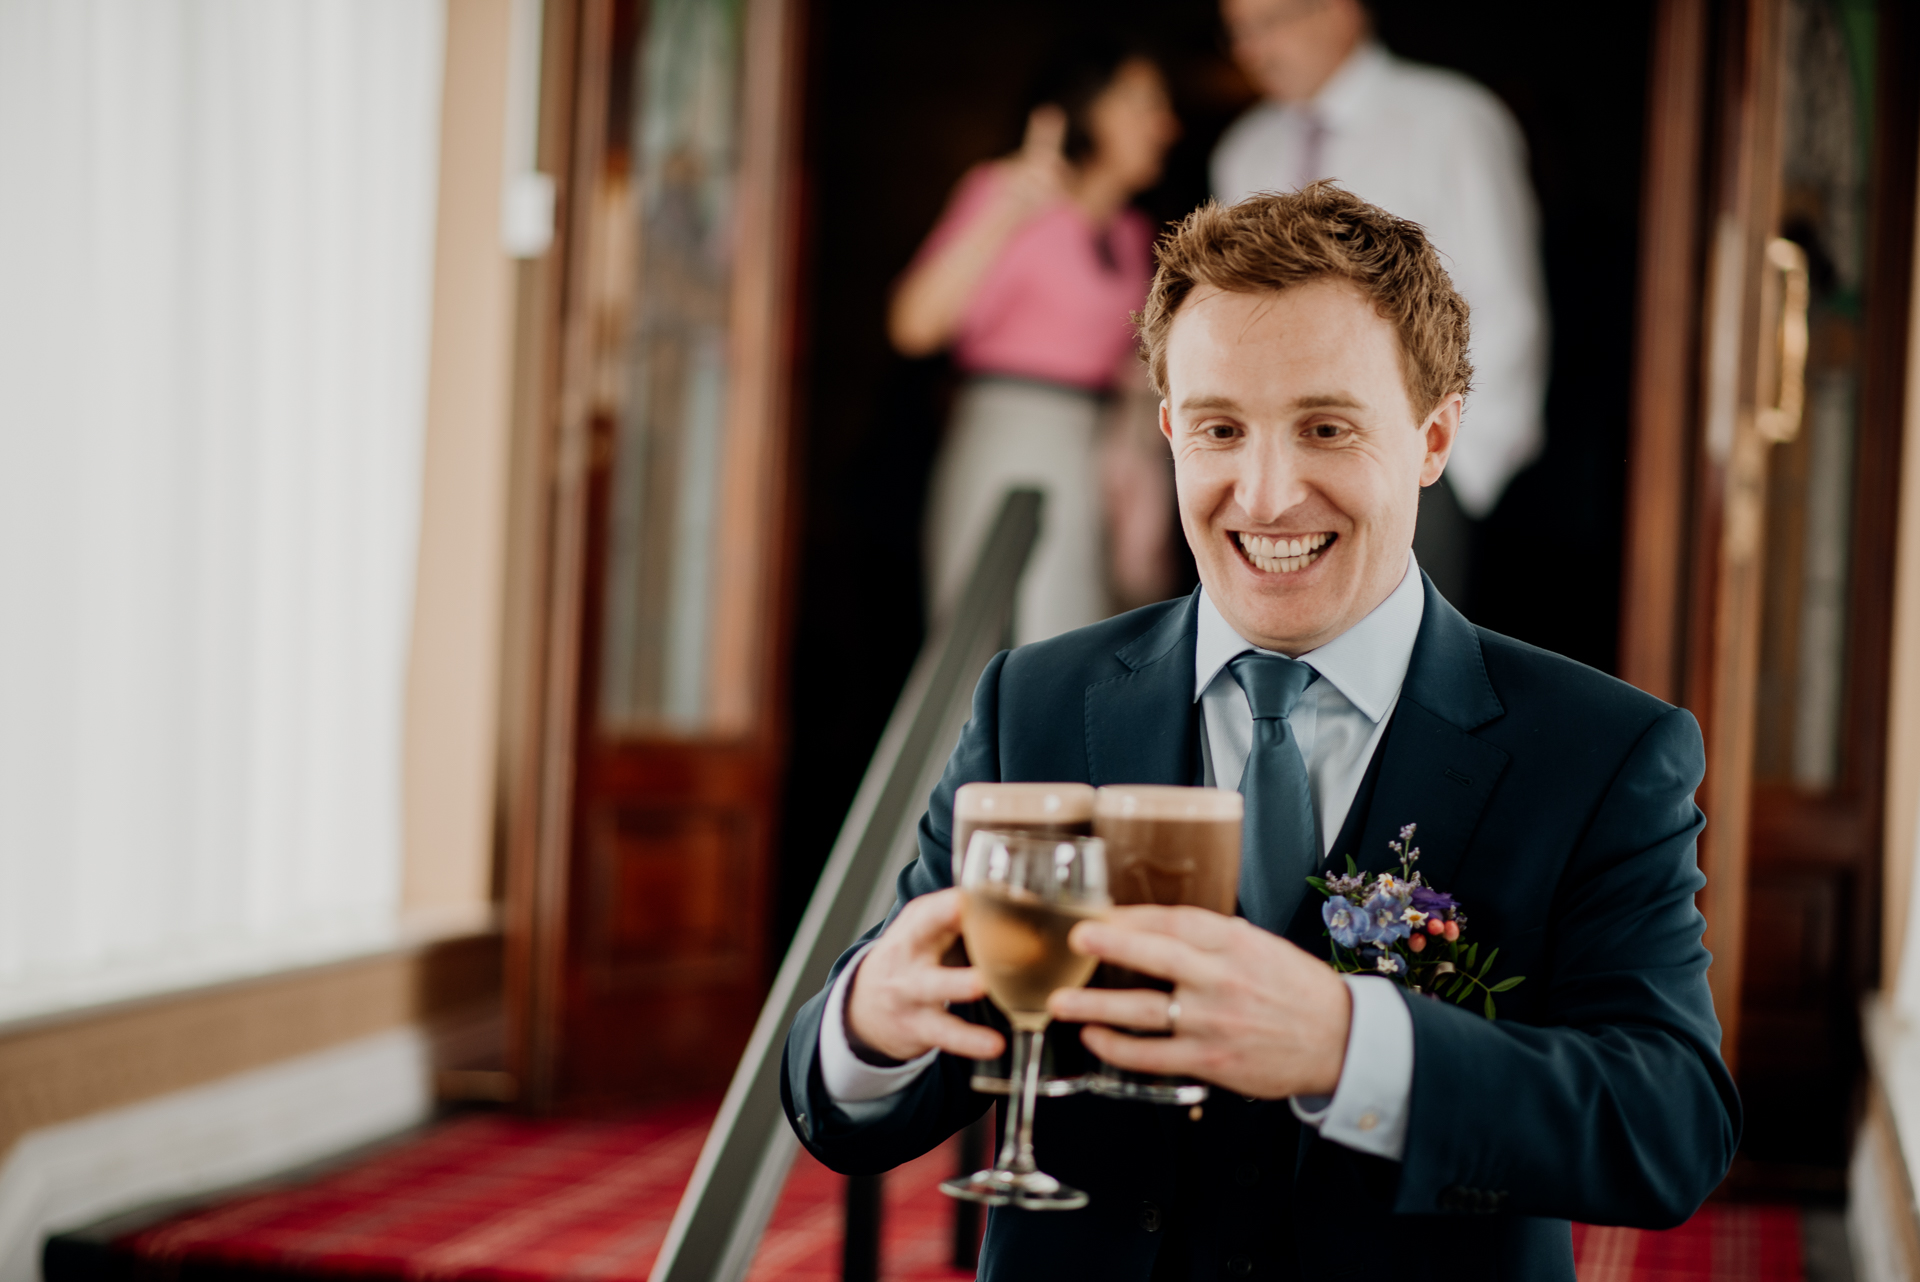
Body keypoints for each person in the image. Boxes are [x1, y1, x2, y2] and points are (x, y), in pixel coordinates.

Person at [783, 186, 1736, 1280]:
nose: (1267, 493)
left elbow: (1670, 1128)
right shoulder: (1034, 702)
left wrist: (1350, 1045)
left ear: (1434, 436)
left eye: (1326, 428)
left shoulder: (1602, 751)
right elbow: (847, 1104)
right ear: (1168, 431)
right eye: (1220, 428)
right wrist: (868, 1018)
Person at [1212, 0, 1548, 609]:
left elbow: (1505, 305)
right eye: (1238, 32)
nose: (1253, 51)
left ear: (1341, 11)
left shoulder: (1453, 120)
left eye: (1271, 23)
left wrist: (1456, 470)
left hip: (1412, 465)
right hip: (1274, 463)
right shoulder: (1244, 149)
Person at [892, 36, 1180, 644]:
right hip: (1009, 434)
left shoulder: (1134, 235)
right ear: (1089, 107)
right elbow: (913, 326)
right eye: (1144, 103)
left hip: (1093, 453)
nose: (1165, 124)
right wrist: (1005, 211)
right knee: (990, 634)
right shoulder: (1009, 193)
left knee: (1079, 638)